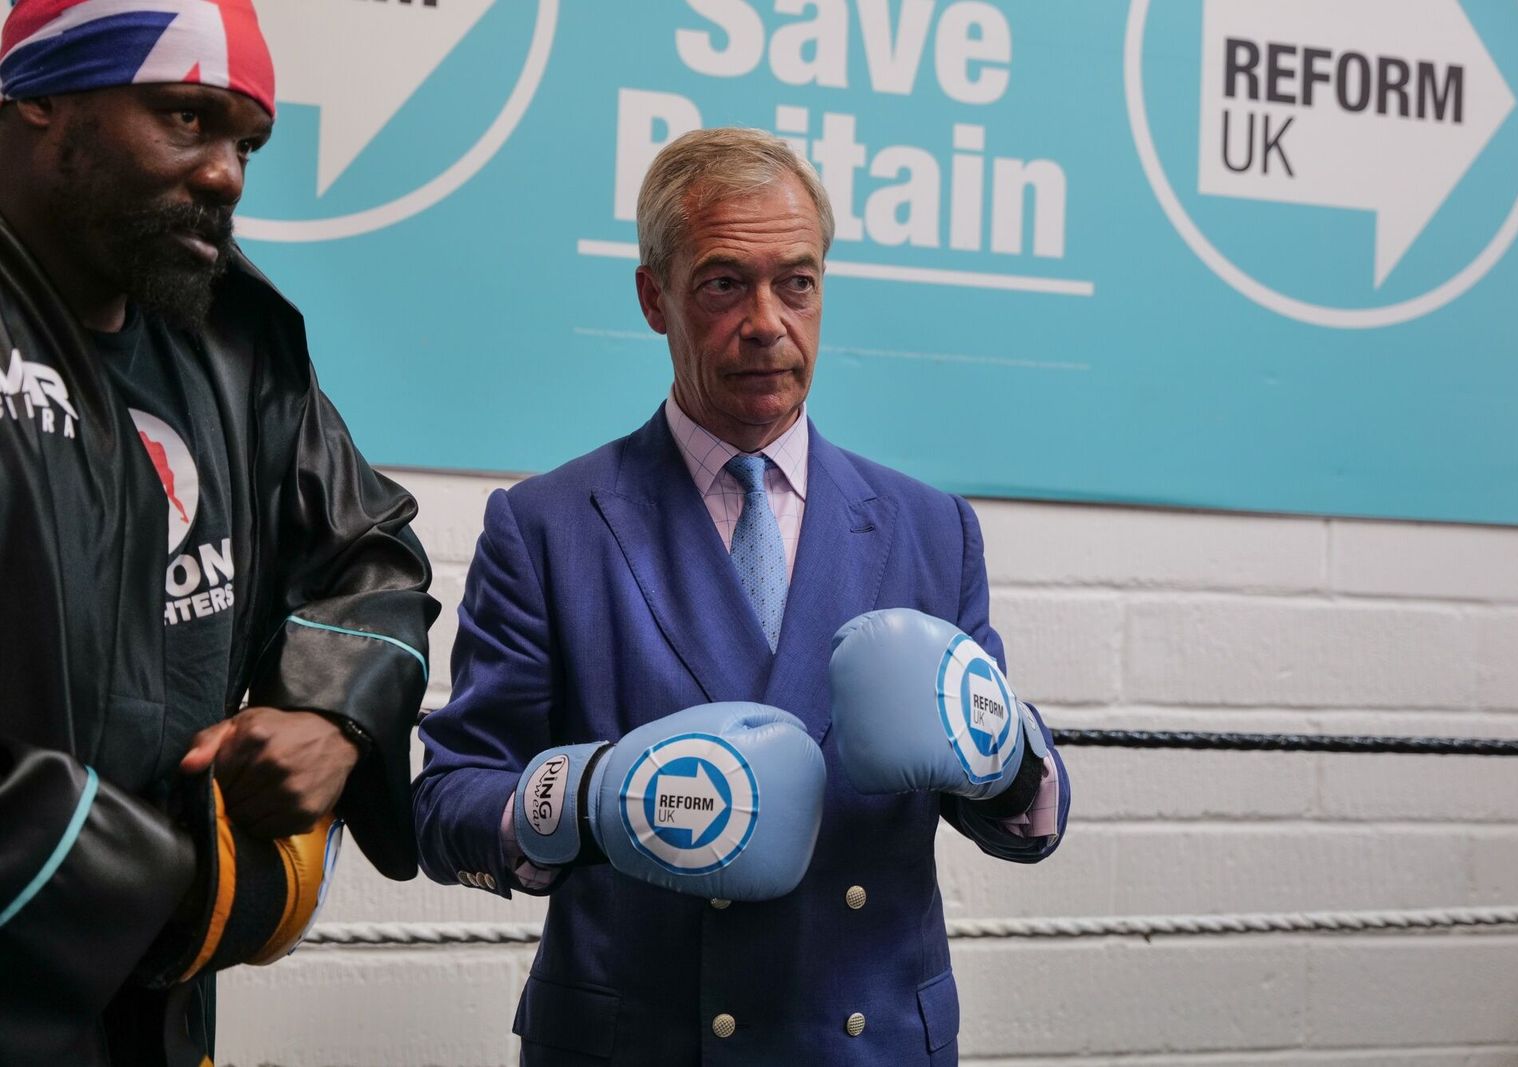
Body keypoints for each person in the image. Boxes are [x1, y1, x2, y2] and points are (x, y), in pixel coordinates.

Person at [414, 126, 1069, 1065]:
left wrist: (1005, 756)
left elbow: (1021, 823)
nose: (767, 320)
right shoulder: (546, 527)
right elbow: (446, 803)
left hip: (868, 1045)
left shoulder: (933, 528)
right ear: (655, 298)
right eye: (725, 283)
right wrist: (587, 799)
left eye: (796, 282)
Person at [0, 2, 438, 1064]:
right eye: (185, 119)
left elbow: (367, 553)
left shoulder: (236, 347)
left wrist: (332, 716)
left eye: (245, 141)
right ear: (43, 98)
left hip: (158, 1019)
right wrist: (129, 873)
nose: (225, 174)